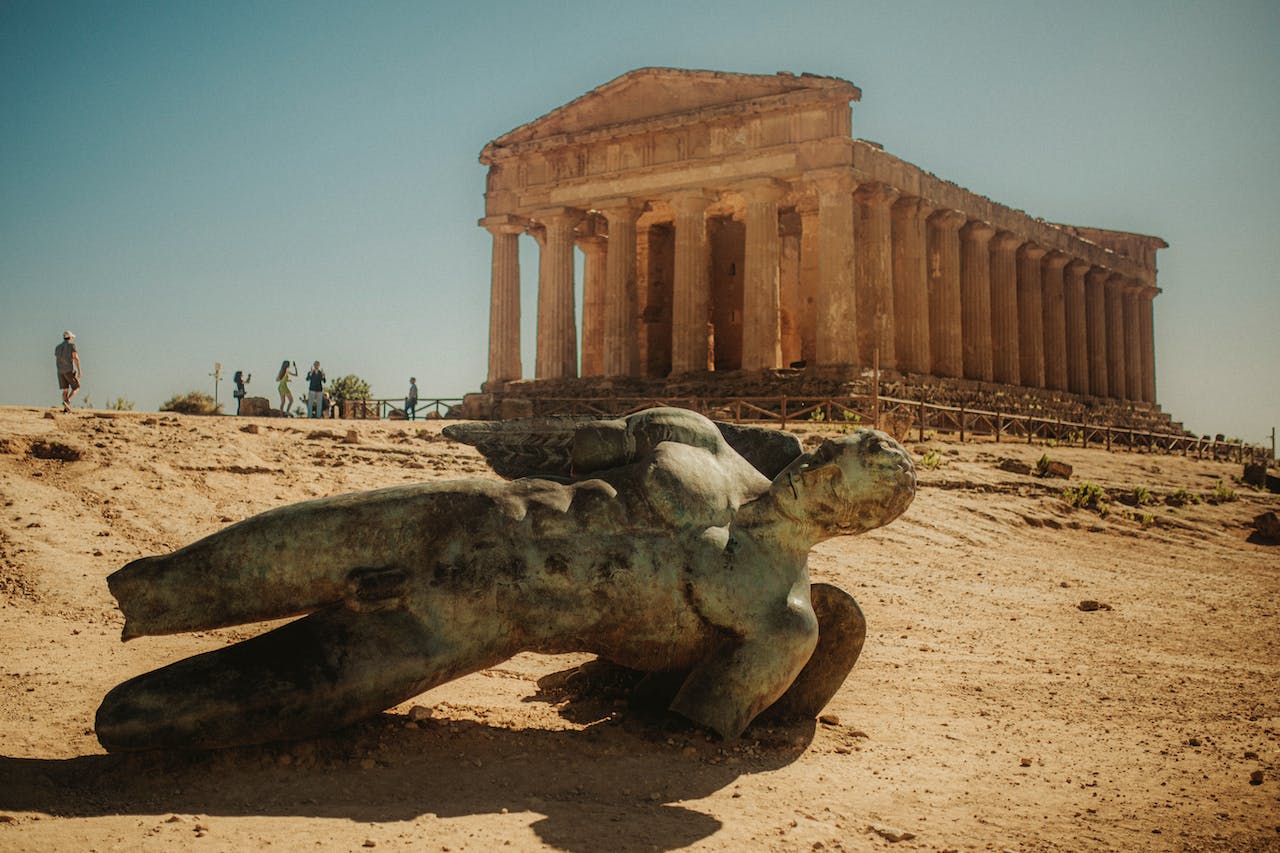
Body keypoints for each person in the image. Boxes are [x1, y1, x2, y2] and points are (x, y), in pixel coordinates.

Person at [97, 408, 917, 751]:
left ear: (858, 520)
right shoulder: (701, 440)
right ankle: (147, 595)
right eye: (834, 451)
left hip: (475, 625)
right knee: (181, 580)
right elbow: (581, 449)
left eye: (845, 479)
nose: (822, 467)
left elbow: (687, 723)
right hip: (477, 516)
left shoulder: (784, 620)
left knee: (141, 718)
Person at [55, 331, 81, 413]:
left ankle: (66, 410)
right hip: (68, 370)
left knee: (65, 390)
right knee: (76, 388)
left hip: (60, 371)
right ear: (70, 338)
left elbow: (58, 359)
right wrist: (79, 370)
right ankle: (67, 402)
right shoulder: (72, 346)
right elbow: (75, 358)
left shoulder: (58, 347)